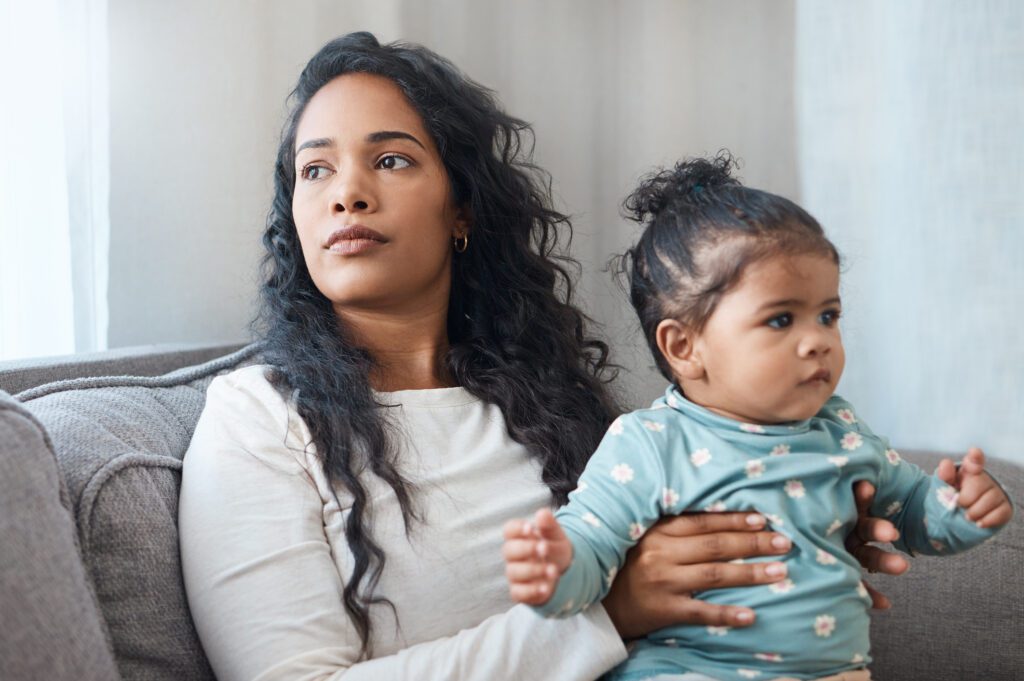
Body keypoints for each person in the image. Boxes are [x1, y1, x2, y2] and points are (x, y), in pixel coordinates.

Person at [179, 34, 909, 681]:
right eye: (315, 172)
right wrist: (607, 617)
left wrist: (795, 534)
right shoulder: (258, 419)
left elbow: (669, 541)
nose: (347, 195)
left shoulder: (544, 399)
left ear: (461, 209)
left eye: (391, 159)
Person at [503, 154, 1014, 681]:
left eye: (828, 315)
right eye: (781, 319)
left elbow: (912, 514)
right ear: (684, 346)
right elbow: (591, 547)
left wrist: (963, 508)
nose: (817, 340)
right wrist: (556, 569)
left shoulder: (841, 431)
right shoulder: (651, 443)